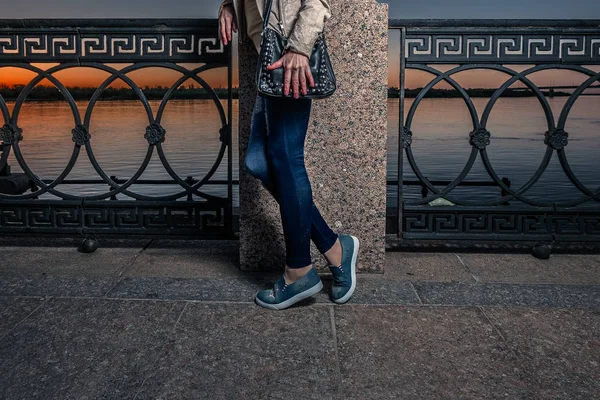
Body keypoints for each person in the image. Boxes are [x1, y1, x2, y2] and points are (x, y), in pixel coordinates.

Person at [218, 0, 359, 310]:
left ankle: (299, 271)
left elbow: (317, 3)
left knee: (285, 155)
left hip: (288, 56)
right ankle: (335, 247)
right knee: (258, 160)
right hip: (266, 62)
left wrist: (298, 47)